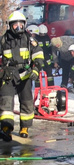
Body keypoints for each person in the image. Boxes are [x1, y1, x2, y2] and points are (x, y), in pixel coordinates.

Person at [0, 11, 44, 141]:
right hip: (8, 76)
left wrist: (35, 70)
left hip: (25, 76)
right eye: (15, 25)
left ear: (24, 25)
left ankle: (24, 128)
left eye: (21, 24)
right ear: (10, 26)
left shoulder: (30, 40)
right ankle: (6, 128)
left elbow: (39, 55)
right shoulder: (3, 40)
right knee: (5, 103)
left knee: (26, 103)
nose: (18, 27)